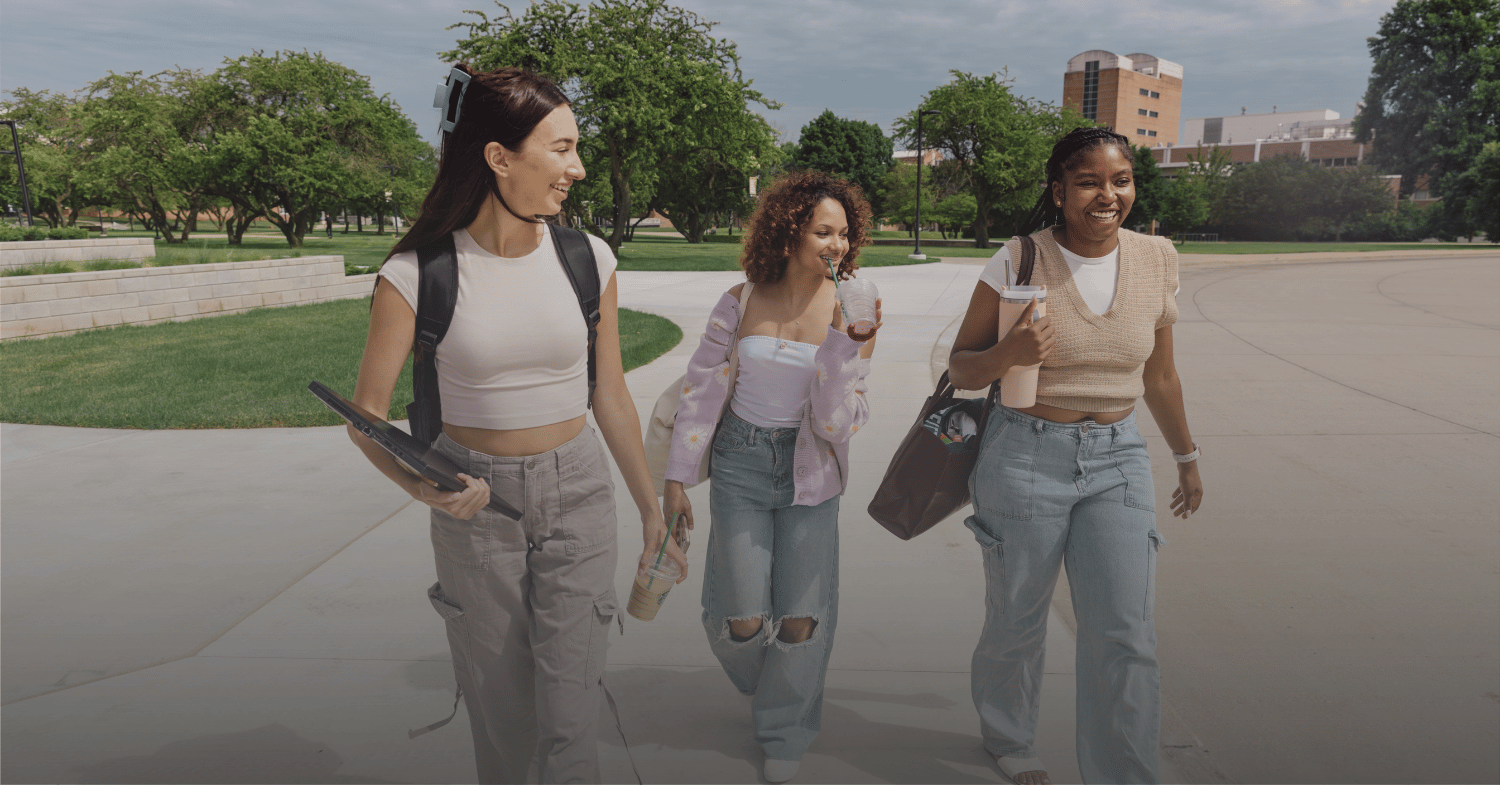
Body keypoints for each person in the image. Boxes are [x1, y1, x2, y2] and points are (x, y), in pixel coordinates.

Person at [346, 64, 673, 784]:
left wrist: (649, 506)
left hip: (580, 491)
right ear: (499, 157)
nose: (578, 168)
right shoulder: (415, 273)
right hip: (476, 504)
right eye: (560, 149)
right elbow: (366, 417)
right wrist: (422, 488)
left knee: (571, 717)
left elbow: (609, 392)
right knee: (504, 723)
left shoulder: (590, 259)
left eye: (576, 148)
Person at [947, 127, 1205, 785]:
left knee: (1126, 631)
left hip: (1118, 458)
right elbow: (962, 368)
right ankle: (1009, 735)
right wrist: (1007, 356)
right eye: (1089, 181)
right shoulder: (1017, 259)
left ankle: (1125, 771)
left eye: (1120, 180)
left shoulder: (1157, 257)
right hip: (1026, 453)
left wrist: (1186, 454)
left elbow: (1161, 377)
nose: (1107, 194)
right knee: (1018, 616)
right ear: (1058, 190)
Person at [660, 172, 879, 783]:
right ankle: (780, 687)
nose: (836, 244)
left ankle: (784, 730)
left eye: (843, 233)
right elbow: (702, 391)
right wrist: (677, 476)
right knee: (743, 619)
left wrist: (847, 346)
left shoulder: (853, 306)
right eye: (822, 231)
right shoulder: (740, 298)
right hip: (740, 463)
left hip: (812, 471)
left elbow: (839, 423)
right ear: (789, 232)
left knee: (802, 618)